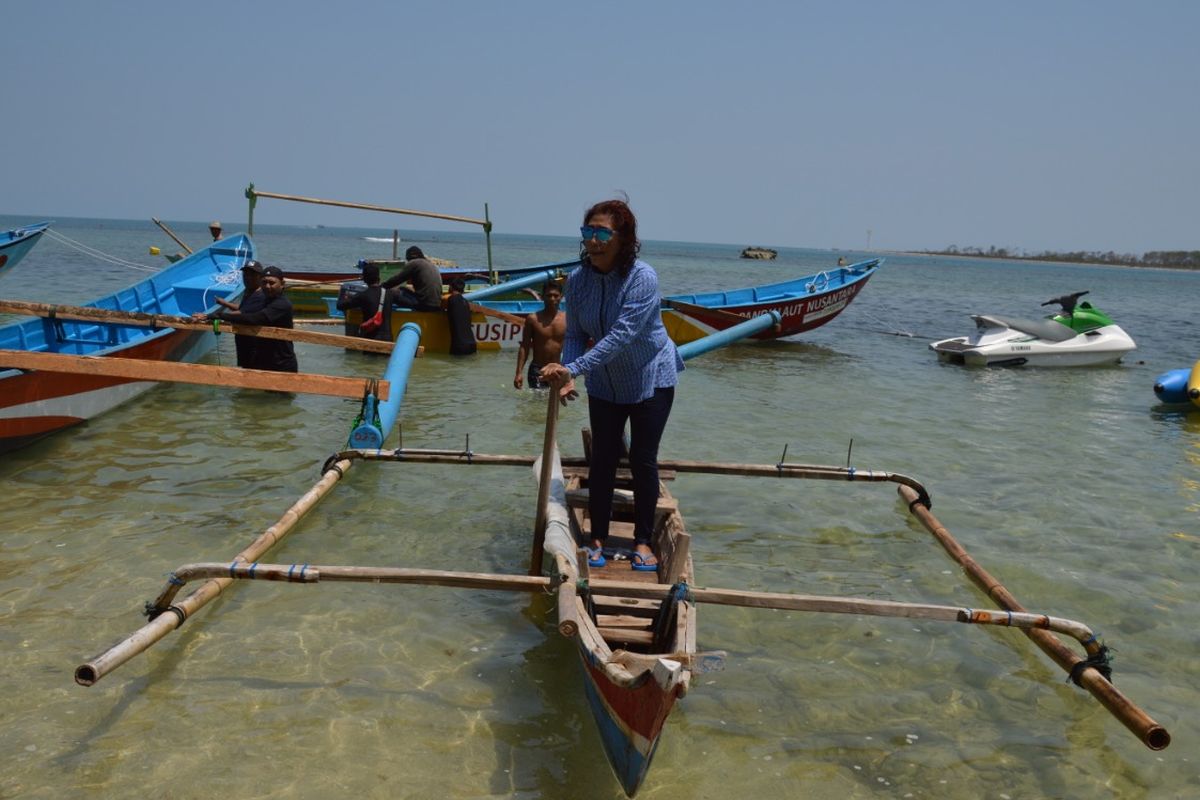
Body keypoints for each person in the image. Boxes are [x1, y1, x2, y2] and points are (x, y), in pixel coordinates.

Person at [539, 199, 683, 572]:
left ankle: (643, 541)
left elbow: (620, 337)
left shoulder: (642, 277)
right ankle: (597, 538)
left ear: (624, 238)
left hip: (651, 376)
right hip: (604, 381)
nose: (594, 241)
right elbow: (576, 334)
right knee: (601, 459)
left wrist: (574, 369)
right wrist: (565, 374)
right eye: (588, 232)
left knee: (642, 460)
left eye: (603, 233)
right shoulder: (578, 280)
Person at [194, 265, 298, 372]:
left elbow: (256, 318)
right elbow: (245, 312)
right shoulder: (264, 300)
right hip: (264, 360)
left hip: (281, 363)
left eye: (272, 283)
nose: (267, 286)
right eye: (264, 282)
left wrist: (218, 315)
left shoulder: (282, 304)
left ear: (282, 284)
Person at [215, 259, 267, 367]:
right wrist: (224, 303)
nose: (248, 278)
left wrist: (213, 316)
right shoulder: (249, 291)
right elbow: (243, 308)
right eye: (246, 274)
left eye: (252, 275)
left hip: (254, 344)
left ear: (260, 277)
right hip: (243, 341)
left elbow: (241, 313)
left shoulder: (261, 296)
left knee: (251, 373)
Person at [514, 279, 565, 389]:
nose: (552, 299)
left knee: (558, 402)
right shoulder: (533, 319)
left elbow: (574, 345)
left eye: (556, 295)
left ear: (561, 296)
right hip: (538, 370)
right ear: (542, 297)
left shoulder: (568, 319)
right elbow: (524, 346)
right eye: (549, 295)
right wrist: (518, 373)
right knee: (538, 403)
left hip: (559, 369)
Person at [337, 262, 393, 343]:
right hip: (388, 339)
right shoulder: (390, 294)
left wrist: (342, 291)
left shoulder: (363, 295)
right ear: (379, 277)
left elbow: (340, 306)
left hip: (370, 340)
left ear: (364, 279)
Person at [382, 245, 443, 311]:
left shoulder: (414, 263)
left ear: (410, 257)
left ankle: (383, 314)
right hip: (436, 305)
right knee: (402, 288)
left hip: (423, 305)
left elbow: (397, 279)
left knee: (390, 293)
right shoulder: (430, 264)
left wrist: (381, 287)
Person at [445, 277, 477, 356]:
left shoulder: (450, 299)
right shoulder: (466, 302)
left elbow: (441, 304)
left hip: (459, 346)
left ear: (450, 287)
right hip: (472, 344)